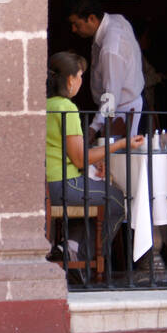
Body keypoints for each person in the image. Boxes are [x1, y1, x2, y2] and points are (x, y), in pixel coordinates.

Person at [45, 51, 143, 266]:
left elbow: (71, 151)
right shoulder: (66, 107)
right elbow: (80, 159)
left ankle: (68, 246)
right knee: (117, 199)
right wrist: (121, 143)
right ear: (71, 79)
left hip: (47, 184)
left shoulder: (45, 106)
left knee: (102, 196)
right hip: (64, 184)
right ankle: (81, 259)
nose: (81, 81)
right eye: (80, 76)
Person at [67, 0, 144, 139]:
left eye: (77, 24)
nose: (74, 30)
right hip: (119, 106)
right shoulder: (117, 19)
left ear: (91, 18)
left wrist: (93, 128)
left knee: (117, 159)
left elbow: (111, 95)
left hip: (121, 111)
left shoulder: (111, 48)